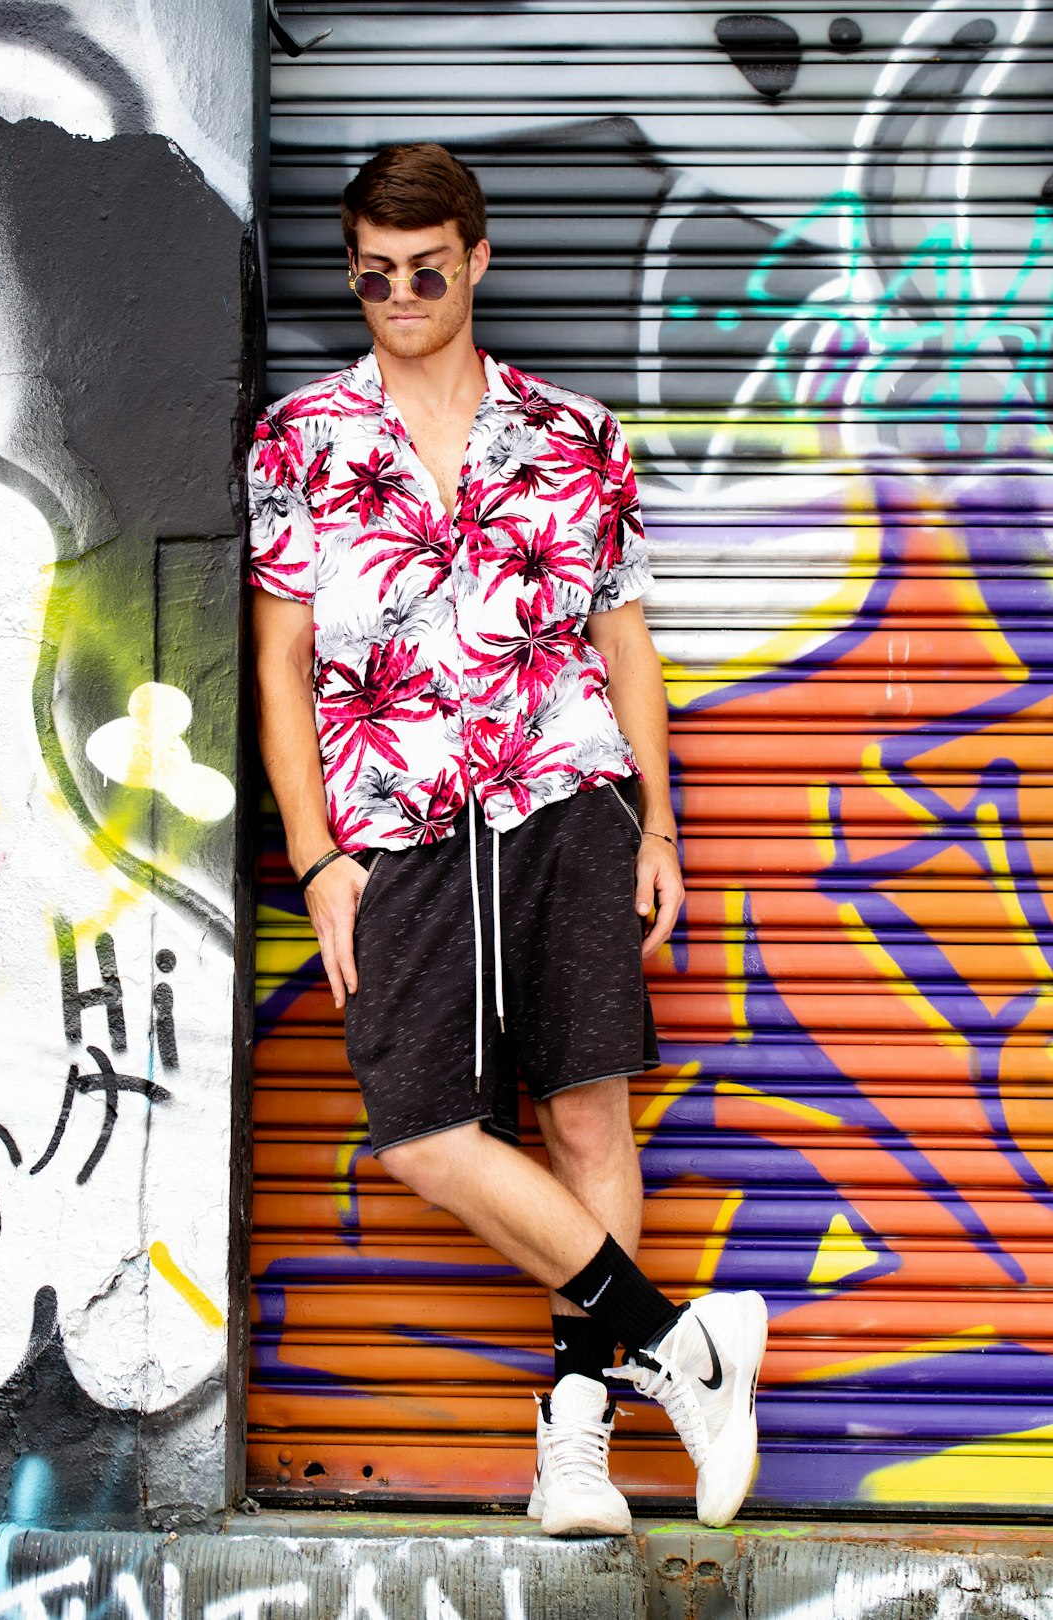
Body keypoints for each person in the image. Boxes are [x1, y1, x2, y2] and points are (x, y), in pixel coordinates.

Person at [248, 142, 768, 1535]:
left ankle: (578, 1447)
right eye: (372, 275)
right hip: (398, 827)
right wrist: (317, 856)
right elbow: (281, 662)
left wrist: (658, 818)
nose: (399, 296)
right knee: (421, 1132)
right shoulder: (303, 440)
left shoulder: (578, 435)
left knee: (586, 1111)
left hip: (564, 800)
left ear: (477, 261)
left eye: (425, 271)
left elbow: (624, 636)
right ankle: (686, 1346)